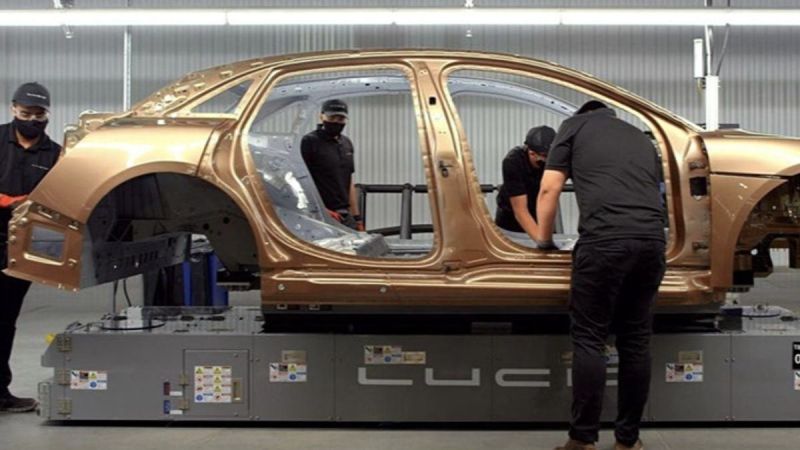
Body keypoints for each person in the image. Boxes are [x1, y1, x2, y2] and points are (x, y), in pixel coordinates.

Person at [535, 100, 667, 450]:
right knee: (636, 340)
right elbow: (657, 192)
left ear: (581, 113)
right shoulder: (640, 138)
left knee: (590, 339)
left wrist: (543, 240)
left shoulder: (573, 128)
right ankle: (628, 440)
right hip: (652, 243)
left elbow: (549, 188)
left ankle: (582, 439)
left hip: (605, 241)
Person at [1, 82, 61, 413]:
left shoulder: (54, 153)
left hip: (20, 249)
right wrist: (8, 201)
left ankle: (0, 393)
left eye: (39, 115)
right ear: (13, 109)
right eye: (26, 114)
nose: (32, 120)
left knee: (5, 320)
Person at [300, 99, 363, 231]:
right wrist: (323, 211)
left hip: (345, 215)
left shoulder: (346, 143)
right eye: (332, 117)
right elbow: (300, 180)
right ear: (321, 116)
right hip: (320, 216)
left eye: (340, 118)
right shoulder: (309, 142)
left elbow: (349, 181)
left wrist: (357, 218)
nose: (336, 121)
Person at [494, 125, 556, 242]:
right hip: (511, 218)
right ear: (531, 153)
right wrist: (543, 243)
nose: (548, 161)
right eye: (544, 156)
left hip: (539, 210)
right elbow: (520, 210)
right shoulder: (513, 162)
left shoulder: (554, 160)